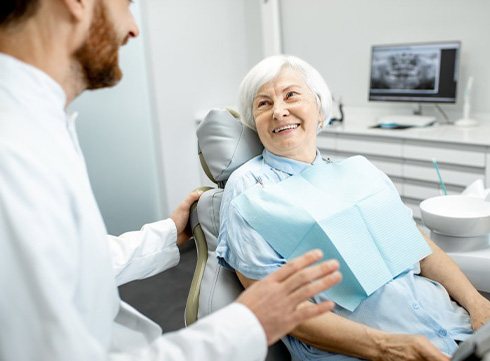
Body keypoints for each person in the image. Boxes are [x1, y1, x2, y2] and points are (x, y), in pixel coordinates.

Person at [0, 2, 343, 360]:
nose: (133, 28)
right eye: (127, 5)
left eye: (292, 95)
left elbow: (67, 263)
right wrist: (248, 323)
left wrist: (164, 236)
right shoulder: (14, 151)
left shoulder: (37, 125)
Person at [216, 54, 490, 361]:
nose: (279, 111)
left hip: (451, 324)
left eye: (291, 95)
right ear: (255, 123)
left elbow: (419, 247)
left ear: (319, 109)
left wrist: (478, 305)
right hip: (372, 350)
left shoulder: (358, 171)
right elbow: (274, 304)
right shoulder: (250, 189)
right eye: (263, 104)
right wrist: (388, 347)